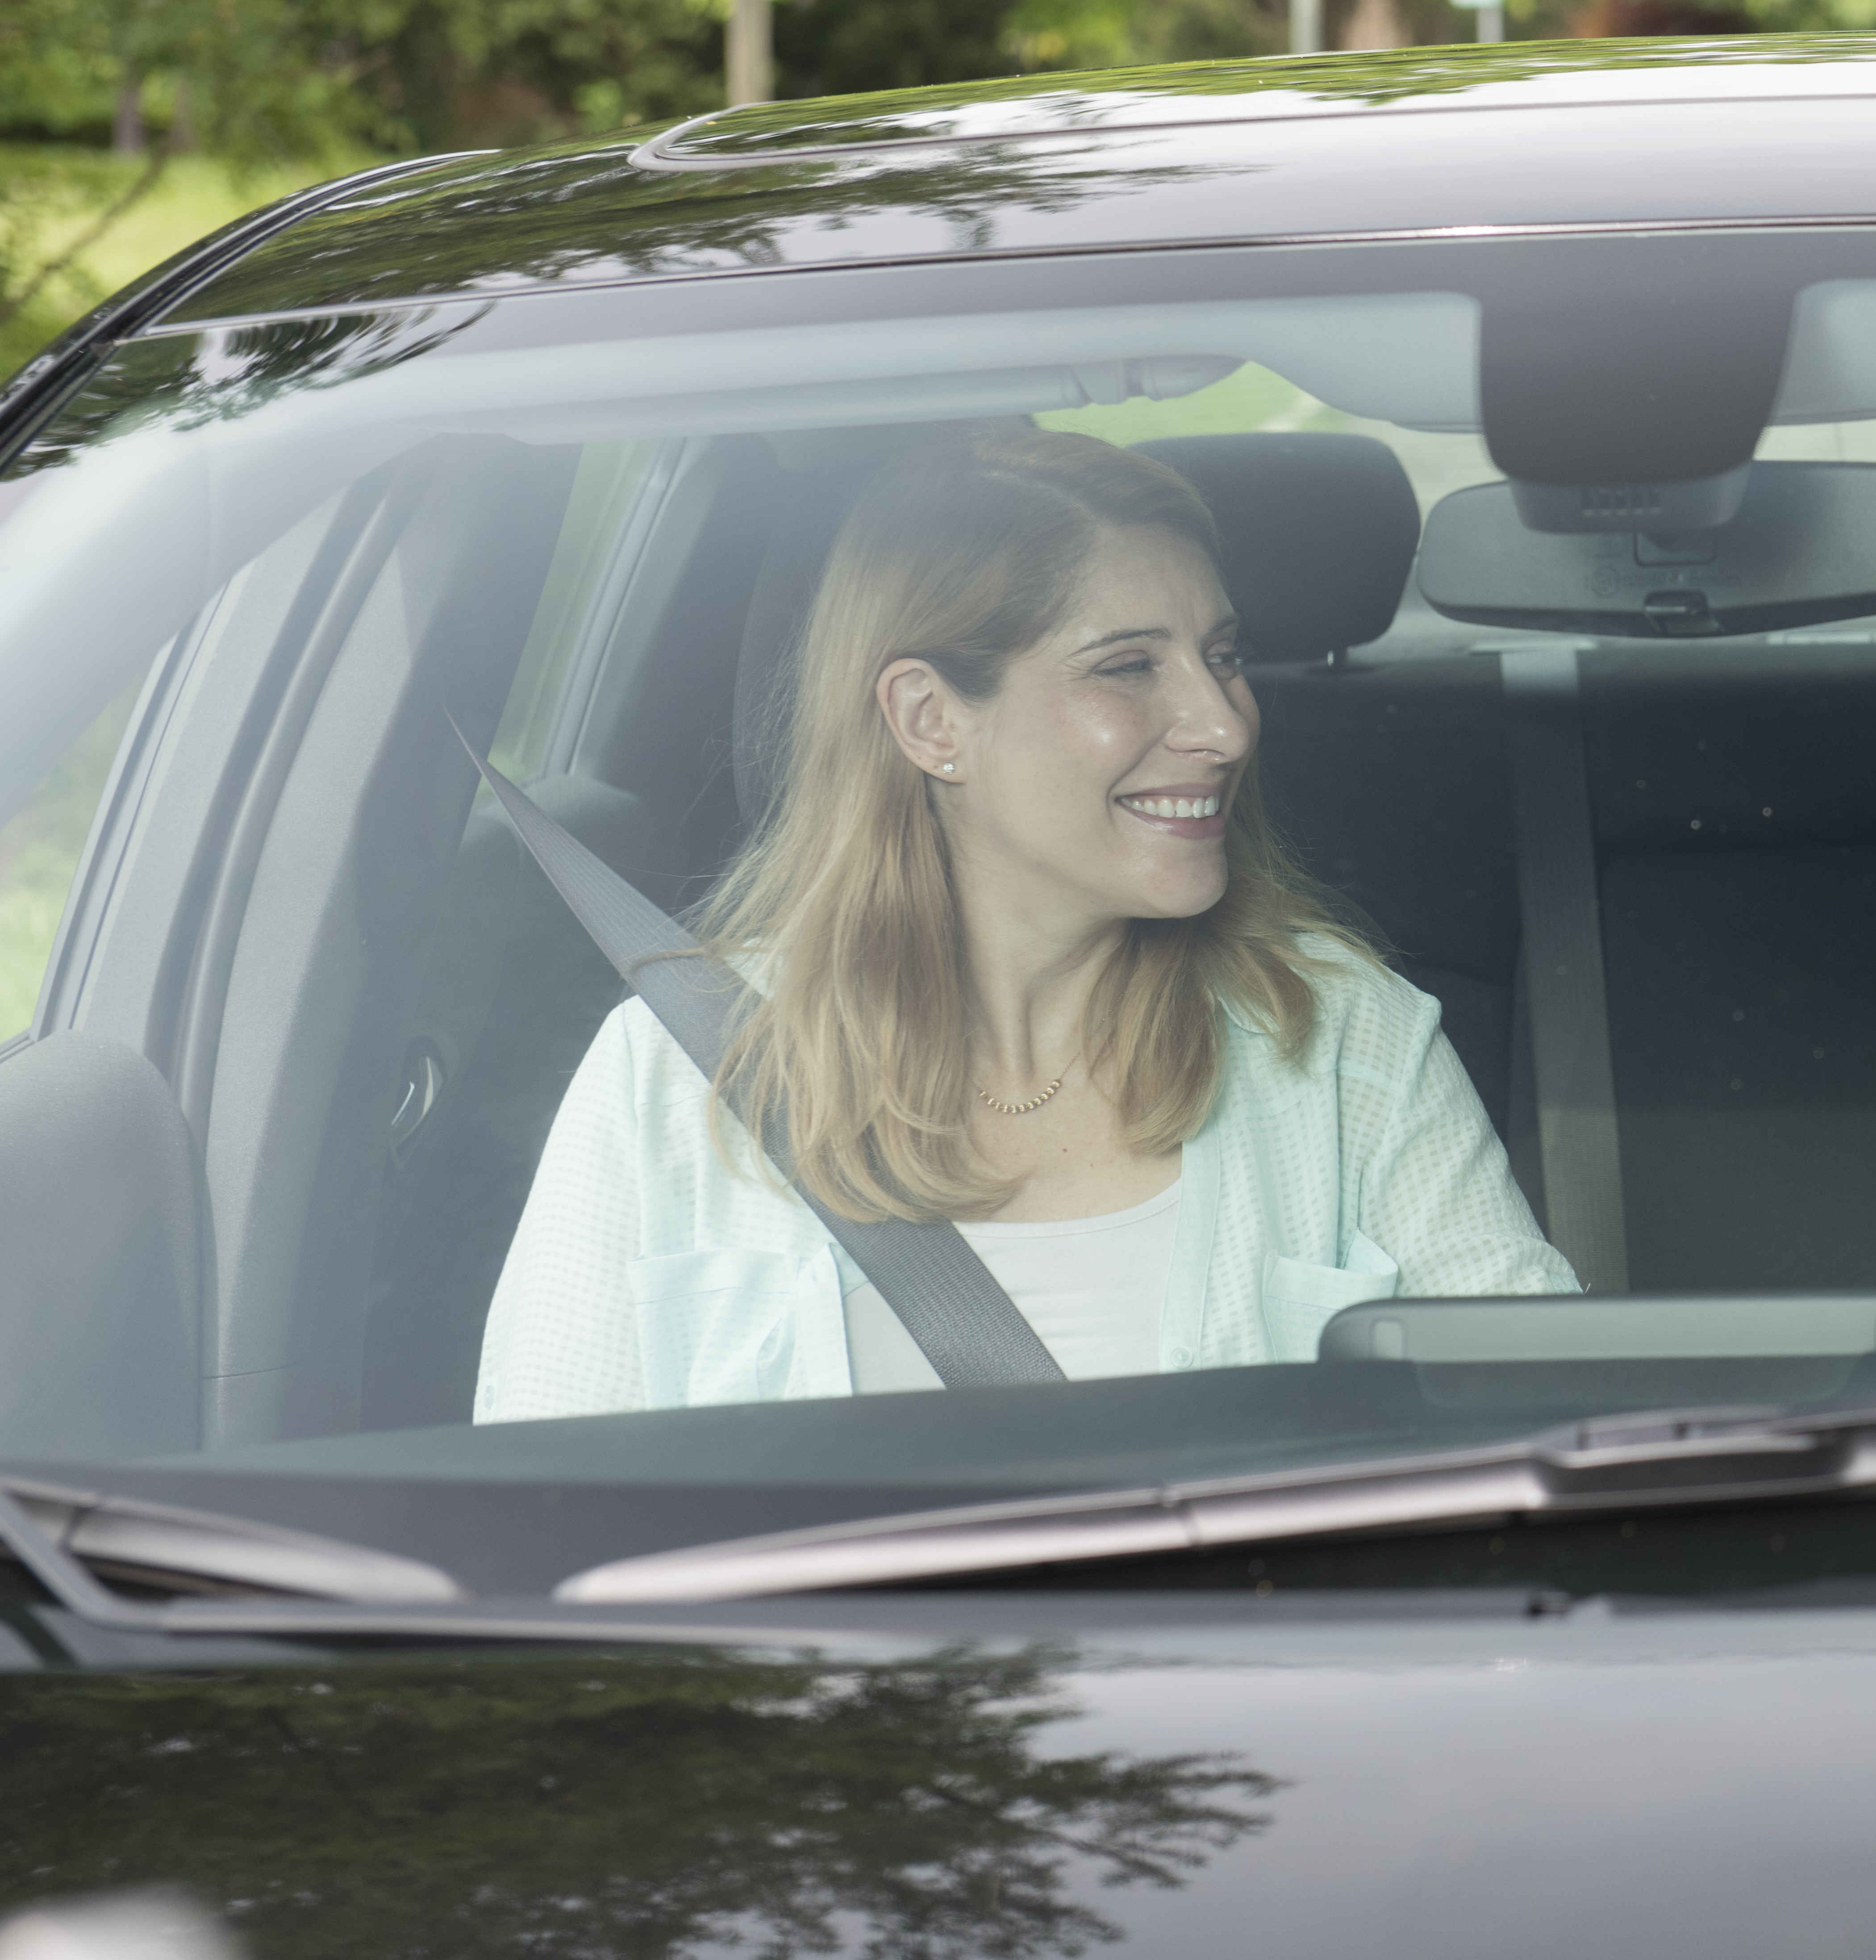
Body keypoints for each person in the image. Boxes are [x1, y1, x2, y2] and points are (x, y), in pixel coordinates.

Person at [477, 433, 1572, 1420]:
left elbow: (1539, 1435)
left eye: (1223, 655)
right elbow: (530, 1549)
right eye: (1128, 666)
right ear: (932, 720)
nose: (1226, 723)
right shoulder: (671, 1078)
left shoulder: (1341, 1039)